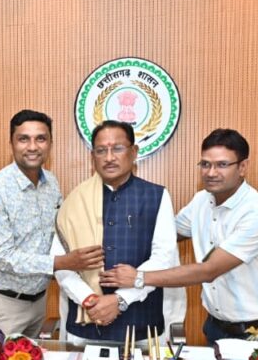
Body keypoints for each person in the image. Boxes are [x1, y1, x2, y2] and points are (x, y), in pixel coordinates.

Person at [103, 129, 258, 342]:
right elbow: (165, 235)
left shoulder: (257, 213)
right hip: (216, 326)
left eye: (222, 165)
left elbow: (209, 270)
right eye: (205, 164)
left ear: (242, 167)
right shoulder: (201, 200)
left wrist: (139, 278)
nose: (211, 173)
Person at [0, 110, 103, 336]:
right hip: (4, 306)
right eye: (24, 139)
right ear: (11, 144)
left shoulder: (51, 182)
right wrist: (60, 262)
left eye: (41, 139)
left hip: (39, 302)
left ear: (50, 144)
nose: (32, 147)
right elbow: (1, 256)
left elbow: (59, 233)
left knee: (32, 359)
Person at [53, 120, 183, 343]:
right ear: (92, 156)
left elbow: (164, 258)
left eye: (118, 148)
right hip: (85, 324)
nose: (109, 157)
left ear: (134, 152)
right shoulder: (74, 201)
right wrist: (90, 300)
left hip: (142, 325)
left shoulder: (156, 196)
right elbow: (60, 262)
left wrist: (120, 300)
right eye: (101, 150)